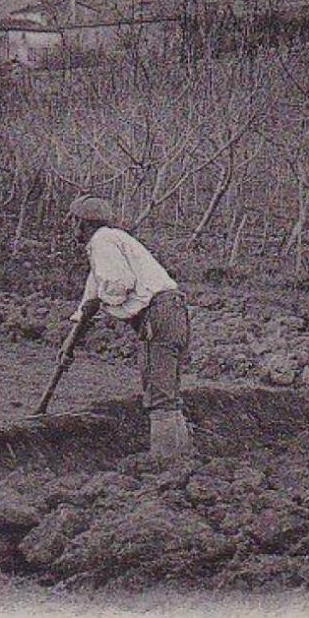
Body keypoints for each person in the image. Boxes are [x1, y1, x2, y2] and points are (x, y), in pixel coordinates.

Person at [62, 195, 193, 460]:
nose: (71, 228)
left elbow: (116, 285)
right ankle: (180, 459)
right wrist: (68, 345)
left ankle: (165, 463)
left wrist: (108, 304)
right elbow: (89, 302)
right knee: (166, 393)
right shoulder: (111, 245)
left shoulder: (102, 241)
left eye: (74, 222)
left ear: (82, 223)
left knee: (159, 396)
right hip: (173, 312)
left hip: (159, 315)